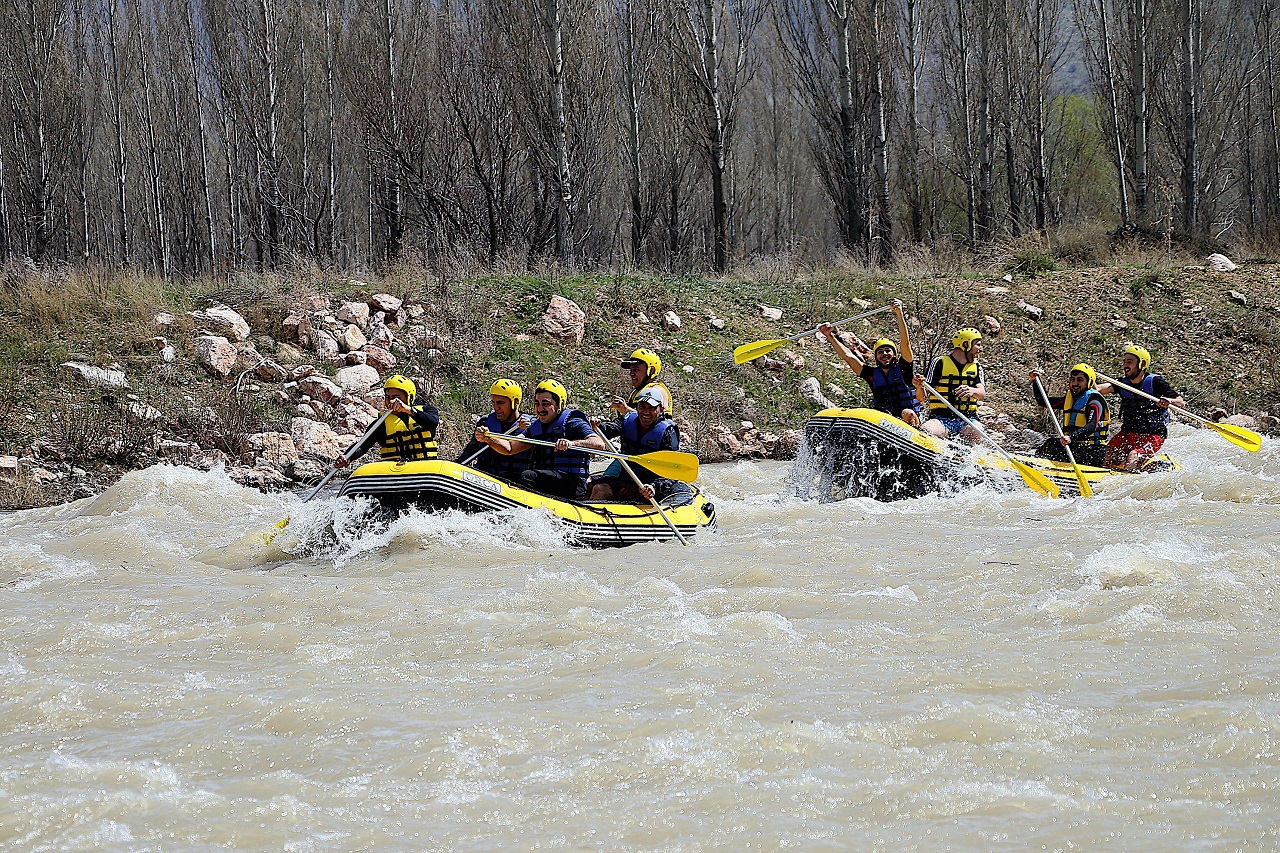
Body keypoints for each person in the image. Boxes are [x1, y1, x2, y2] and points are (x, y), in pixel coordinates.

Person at [476, 379, 609, 500]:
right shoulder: (536, 426)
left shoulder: (573, 422)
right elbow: (510, 448)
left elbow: (598, 444)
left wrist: (571, 443)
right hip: (546, 479)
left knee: (527, 476)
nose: (540, 409)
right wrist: (489, 438)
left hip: (572, 484)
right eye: (537, 403)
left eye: (545, 404)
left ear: (559, 405)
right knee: (507, 477)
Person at [818, 298, 922, 426]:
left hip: (908, 419)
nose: (884, 354)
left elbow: (905, 343)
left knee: (907, 413)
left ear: (894, 354)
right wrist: (830, 336)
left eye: (888, 351)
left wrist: (899, 314)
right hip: (885, 420)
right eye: (880, 352)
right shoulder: (871, 374)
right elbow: (848, 357)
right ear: (876, 356)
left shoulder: (904, 367)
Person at [588, 386, 693, 507]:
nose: (646, 412)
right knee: (593, 486)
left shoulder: (667, 432)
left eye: (652, 408)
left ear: (661, 409)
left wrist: (654, 487)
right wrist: (596, 426)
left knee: (602, 489)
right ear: (637, 407)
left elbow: (672, 471)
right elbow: (608, 429)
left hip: (651, 488)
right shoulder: (627, 421)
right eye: (642, 407)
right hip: (627, 480)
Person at [1097, 343, 1186, 470]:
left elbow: (1180, 402)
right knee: (1108, 453)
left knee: (1133, 456)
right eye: (1124, 362)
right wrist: (1086, 374)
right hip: (1128, 433)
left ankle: (1131, 478)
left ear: (1142, 364)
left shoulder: (1155, 382)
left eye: (1129, 362)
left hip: (1153, 435)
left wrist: (1169, 401)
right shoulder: (1122, 383)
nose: (1125, 366)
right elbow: (1098, 389)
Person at [335, 374, 439, 467]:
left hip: (426, 467)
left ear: (409, 398)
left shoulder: (427, 411)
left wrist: (408, 410)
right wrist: (347, 456)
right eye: (388, 397)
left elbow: (432, 423)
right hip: (396, 471)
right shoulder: (381, 424)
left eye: (396, 397)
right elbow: (362, 446)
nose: (391, 401)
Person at [1029, 364, 1110, 467]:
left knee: (1054, 446)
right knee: (1050, 444)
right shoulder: (1070, 399)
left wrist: (1071, 437)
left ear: (1089, 382)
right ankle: (1037, 467)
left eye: (1080, 380)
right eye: (1073, 379)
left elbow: (1092, 425)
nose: (1075, 383)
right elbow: (1043, 402)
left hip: (1093, 451)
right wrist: (1035, 381)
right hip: (1076, 447)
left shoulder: (1094, 401)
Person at [455, 378, 532, 480]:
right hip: (484, 479)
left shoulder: (530, 424)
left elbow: (510, 448)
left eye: (500, 403)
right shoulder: (485, 422)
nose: (496, 407)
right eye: (493, 402)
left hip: (512, 484)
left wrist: (531, 427)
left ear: (515, 402)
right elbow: (469, 453)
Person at [917, 327, 986, 441]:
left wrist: (972, 391)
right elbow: (921, 397)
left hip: (968, 419)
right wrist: (919, 387)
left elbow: (981, 394)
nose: (981, 349)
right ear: (965, 344)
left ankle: (966, 454)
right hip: (941, 418)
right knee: (927, 430)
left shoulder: (977, 367)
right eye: (978, 345)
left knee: (976, 430)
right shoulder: (939, 362)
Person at [612, 348, 674, 417]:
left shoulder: (656, 390)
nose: (631, 374)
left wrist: (626, 410)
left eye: (636, 369)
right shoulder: (638, 391)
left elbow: (652, 420)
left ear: (651, 371)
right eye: (631, 370)